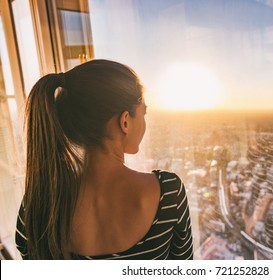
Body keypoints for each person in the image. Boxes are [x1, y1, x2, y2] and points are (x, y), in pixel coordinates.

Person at [15, 59, 193, 260]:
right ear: (125, 121)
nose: (144, 123)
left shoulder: (37, 207)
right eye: (144, 113)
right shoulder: (167, 193)